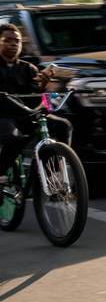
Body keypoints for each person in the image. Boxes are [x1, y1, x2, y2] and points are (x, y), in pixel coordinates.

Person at [0, 24, 72, 183]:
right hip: (4, 116)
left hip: (26, 115)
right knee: (13, 138)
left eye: (17, 41)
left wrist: (44, 86)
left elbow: (39, 98)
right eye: (8, 40)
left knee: (63, 125)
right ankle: (1, 174)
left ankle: (54, 174)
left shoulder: (29, 68)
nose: (14, 44)